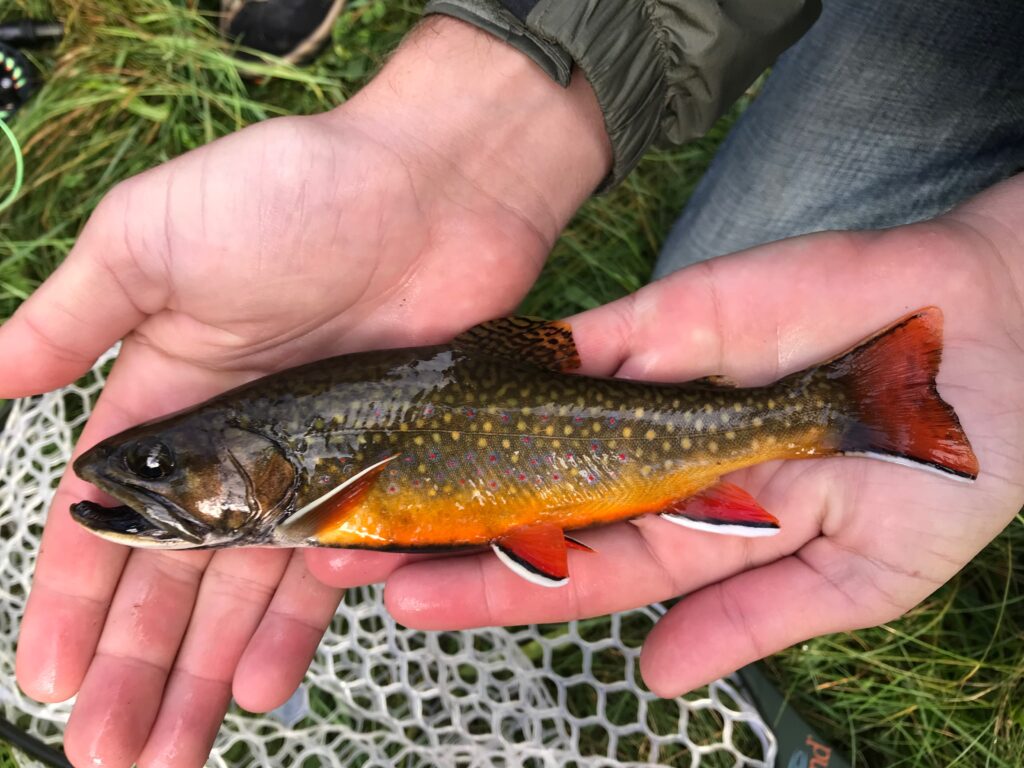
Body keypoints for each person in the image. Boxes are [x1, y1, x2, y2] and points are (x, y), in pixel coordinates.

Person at [2, 1, 1022, 766]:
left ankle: (845, 406)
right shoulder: (292, 471)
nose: (138, 476)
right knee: (752, 268)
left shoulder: (320, 501)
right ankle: (844, 400)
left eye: (157, 465)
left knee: (758, 274)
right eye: (151, 466)